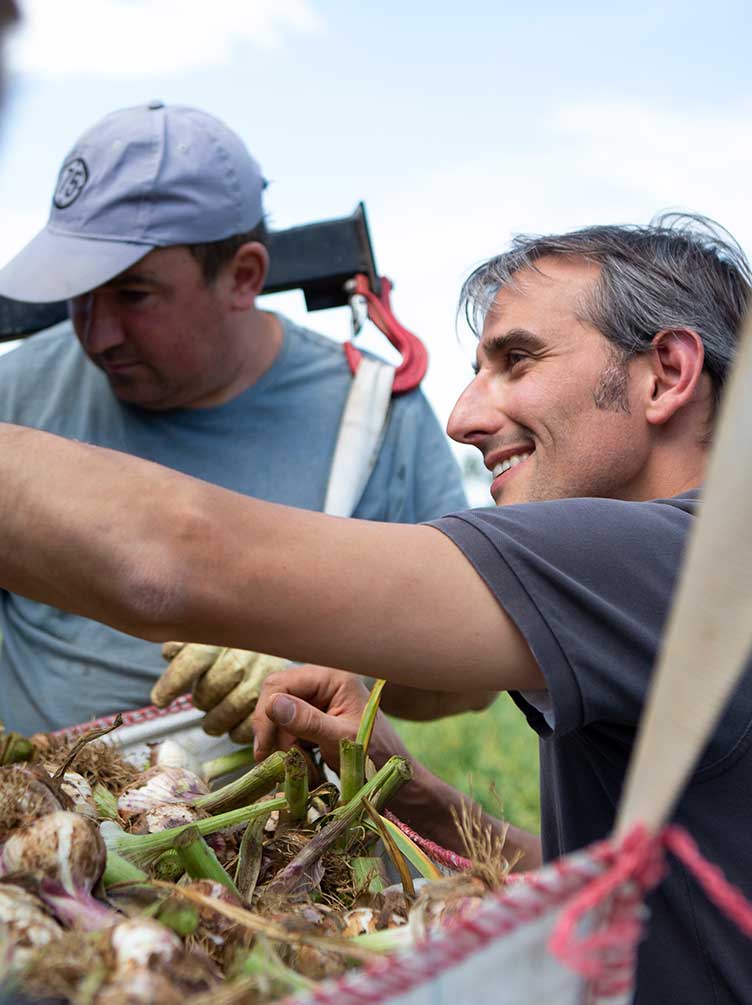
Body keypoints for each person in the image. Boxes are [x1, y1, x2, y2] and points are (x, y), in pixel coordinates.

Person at [0, 214, 752, 1004]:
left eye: (517, 360)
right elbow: (616, 887)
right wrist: (410, 790)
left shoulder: (654, 558)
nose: (463, 418)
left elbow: (171, 559)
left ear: (667, 372)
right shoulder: (742, 574)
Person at [0, 100, 470, 736]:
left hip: (276, 828)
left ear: (243, 275)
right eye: (80, 292)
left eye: (134, 294)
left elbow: (466, 684)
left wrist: (328, 655)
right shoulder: (17, 390)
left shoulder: (378, 418)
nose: (98, 333)